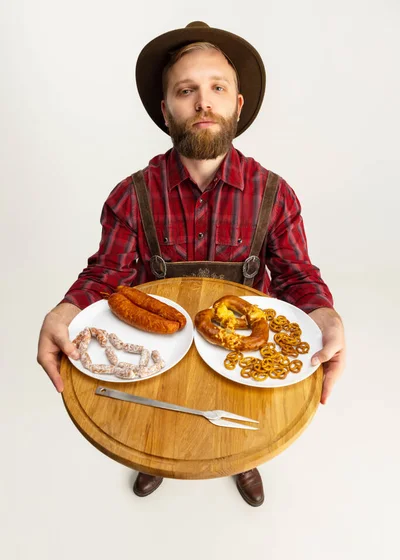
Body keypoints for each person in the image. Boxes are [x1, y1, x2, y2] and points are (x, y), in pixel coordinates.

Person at [37, 22, 346, 507]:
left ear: (237, 106)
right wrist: (63, 310)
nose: (204, 102)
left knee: (241, 421)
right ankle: (153, 457)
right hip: (156, 355)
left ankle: (243, 460)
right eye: (187, 91)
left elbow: (296, 276)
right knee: (158, 419)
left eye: (217, 88)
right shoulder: (131, 196)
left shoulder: (275, 195)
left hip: (244, 356)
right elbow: (106, 276)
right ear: (166, 111)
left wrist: (325, 315)